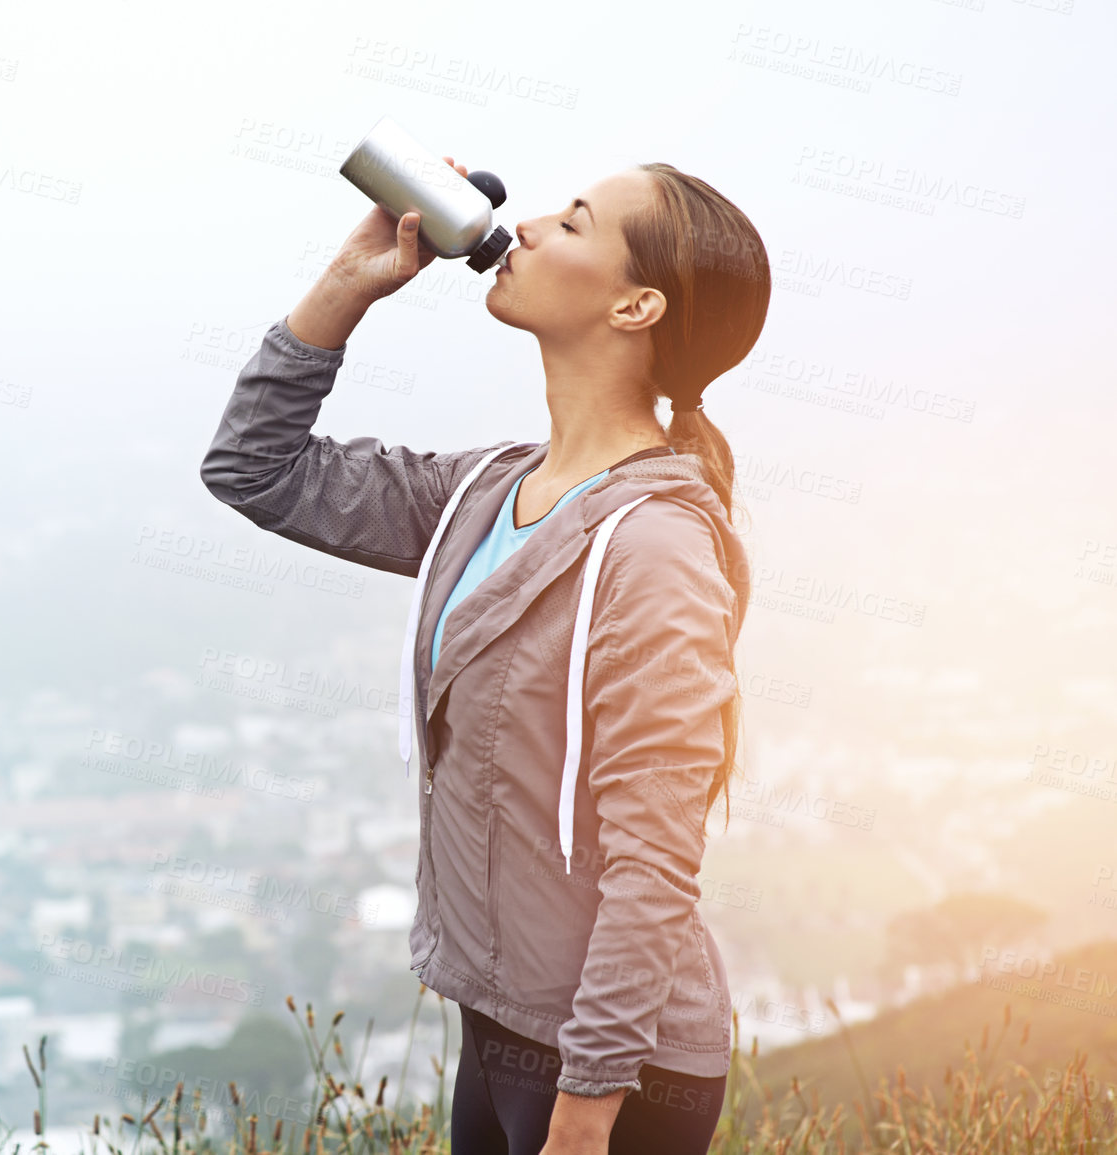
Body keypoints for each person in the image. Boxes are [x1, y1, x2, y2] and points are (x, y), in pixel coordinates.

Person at [200, 156, 770, 1155]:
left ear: (637, 306)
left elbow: (655, 856)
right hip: (503, 1024)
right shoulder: (482, 496)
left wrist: (588, 1113)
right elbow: (255, 467)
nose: (533, 226)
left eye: (577, 222)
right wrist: (351, 281)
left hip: (618, 1072)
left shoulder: (655, 549)